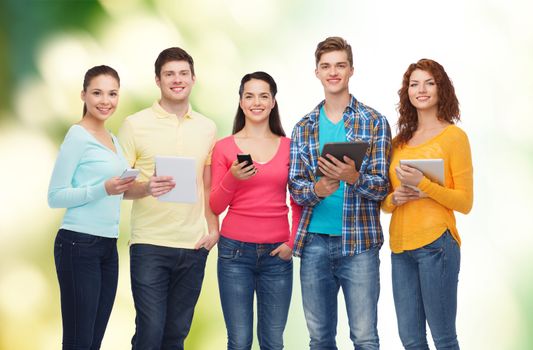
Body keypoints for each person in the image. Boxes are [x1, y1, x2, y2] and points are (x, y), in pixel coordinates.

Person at [289, 36, 392, 349]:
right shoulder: (303, 126)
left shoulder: (374, 122)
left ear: (351, 70)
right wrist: (317, 189)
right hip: (314, 244)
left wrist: (354, 176)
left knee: (364, 337)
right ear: (317, 73)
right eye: (326, 66)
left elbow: (383, 187)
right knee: (319, 339)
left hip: (359, 244)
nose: (333, 72)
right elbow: (295, 187)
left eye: (340, 65)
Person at [117, 47, 218, 350]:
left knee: (176, 336)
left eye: (183, 73)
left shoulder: (207, 127)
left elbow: (208, 185)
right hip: (149, 244)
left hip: (192, 246)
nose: (177, 80)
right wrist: (147, 187)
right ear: (158, 81)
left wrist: (213, 230)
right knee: (149, 332)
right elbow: (119, 187)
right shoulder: (134, 124)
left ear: (193, 78)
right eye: (169, 74)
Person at [381, 59, 473, 350]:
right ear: (406, 91)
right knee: (411, 340)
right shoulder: (398, 143)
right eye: (414, 84)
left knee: (443, 338)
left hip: (437, 246)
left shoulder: (454, 137)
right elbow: (384, 202)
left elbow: (465, 202)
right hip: (400, 249)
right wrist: (394, 199)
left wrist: (424, 185)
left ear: (441, 88)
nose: (421, 90)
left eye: (429, 83)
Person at [210, 71, 300, 350]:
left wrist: (292, 243)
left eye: (264, 96)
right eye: (249, 96)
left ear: (273, 102)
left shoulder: (290, 147)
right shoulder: (224, 148)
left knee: (273, 342)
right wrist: (233, 177)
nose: (256, 102)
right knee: (239, 342)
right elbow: (215, 205)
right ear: (240, 101)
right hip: (234, 253)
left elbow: (298, 200)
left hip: (278, 254)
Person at [48, 65, 134, 349]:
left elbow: (118, 190)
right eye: (97, 93)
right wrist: (102, 188)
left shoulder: (114, 141)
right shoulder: (77, 136)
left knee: (94, 341)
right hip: (78, 244)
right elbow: (56, 195)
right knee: (78, 341)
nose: (105, 100)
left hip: (108, 246)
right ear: (83, 95)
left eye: (112, 93)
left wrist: (148, 186)